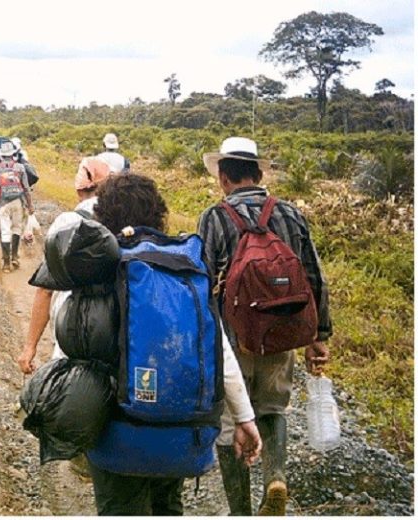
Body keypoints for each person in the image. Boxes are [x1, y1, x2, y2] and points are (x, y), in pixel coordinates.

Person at [86, 173, 262, 516]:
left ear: (103, 216)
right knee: (168, 505)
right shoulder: (181, 266)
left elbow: (69, 347)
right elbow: (217, 348)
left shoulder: (100, 264)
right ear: (159, 215)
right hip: (178, 437)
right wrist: (244, 417)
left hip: (118, 439)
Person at [197, 136, 333, 516]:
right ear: (258, 173)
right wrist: (319, 336)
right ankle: (276, 477)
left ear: (224, 178)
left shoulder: (214, 217)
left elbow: (203, 282)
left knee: (232, 421)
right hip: (282, 333)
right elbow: (314, 276)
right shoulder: (290, 214)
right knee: (273, 408)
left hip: (234, 338)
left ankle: (240, 510)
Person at [18, 157, 112, 374]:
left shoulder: (67, 222)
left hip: (73, 324)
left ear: (79, 190)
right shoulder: (124, 219)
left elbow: (46, 289)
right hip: (114, 326)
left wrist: (30, 347)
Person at [0, 141, 34, 273]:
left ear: (1, 156)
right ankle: (14, 257)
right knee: (17, 228)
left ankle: (6, 263)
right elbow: (26, 188)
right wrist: (29, 205)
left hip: (3, 204)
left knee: (5, 230)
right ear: (13, 154)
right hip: (18, 202)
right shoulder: (20, 167)